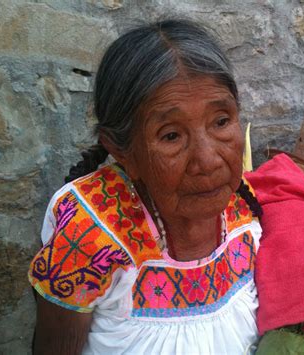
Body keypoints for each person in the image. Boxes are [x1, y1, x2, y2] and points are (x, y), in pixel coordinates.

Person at [28, 19, 264, 354]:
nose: (209, 160)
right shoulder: (90, 236)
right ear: (122, 151)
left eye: (222, 121)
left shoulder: (245, 208)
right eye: (171, 135)